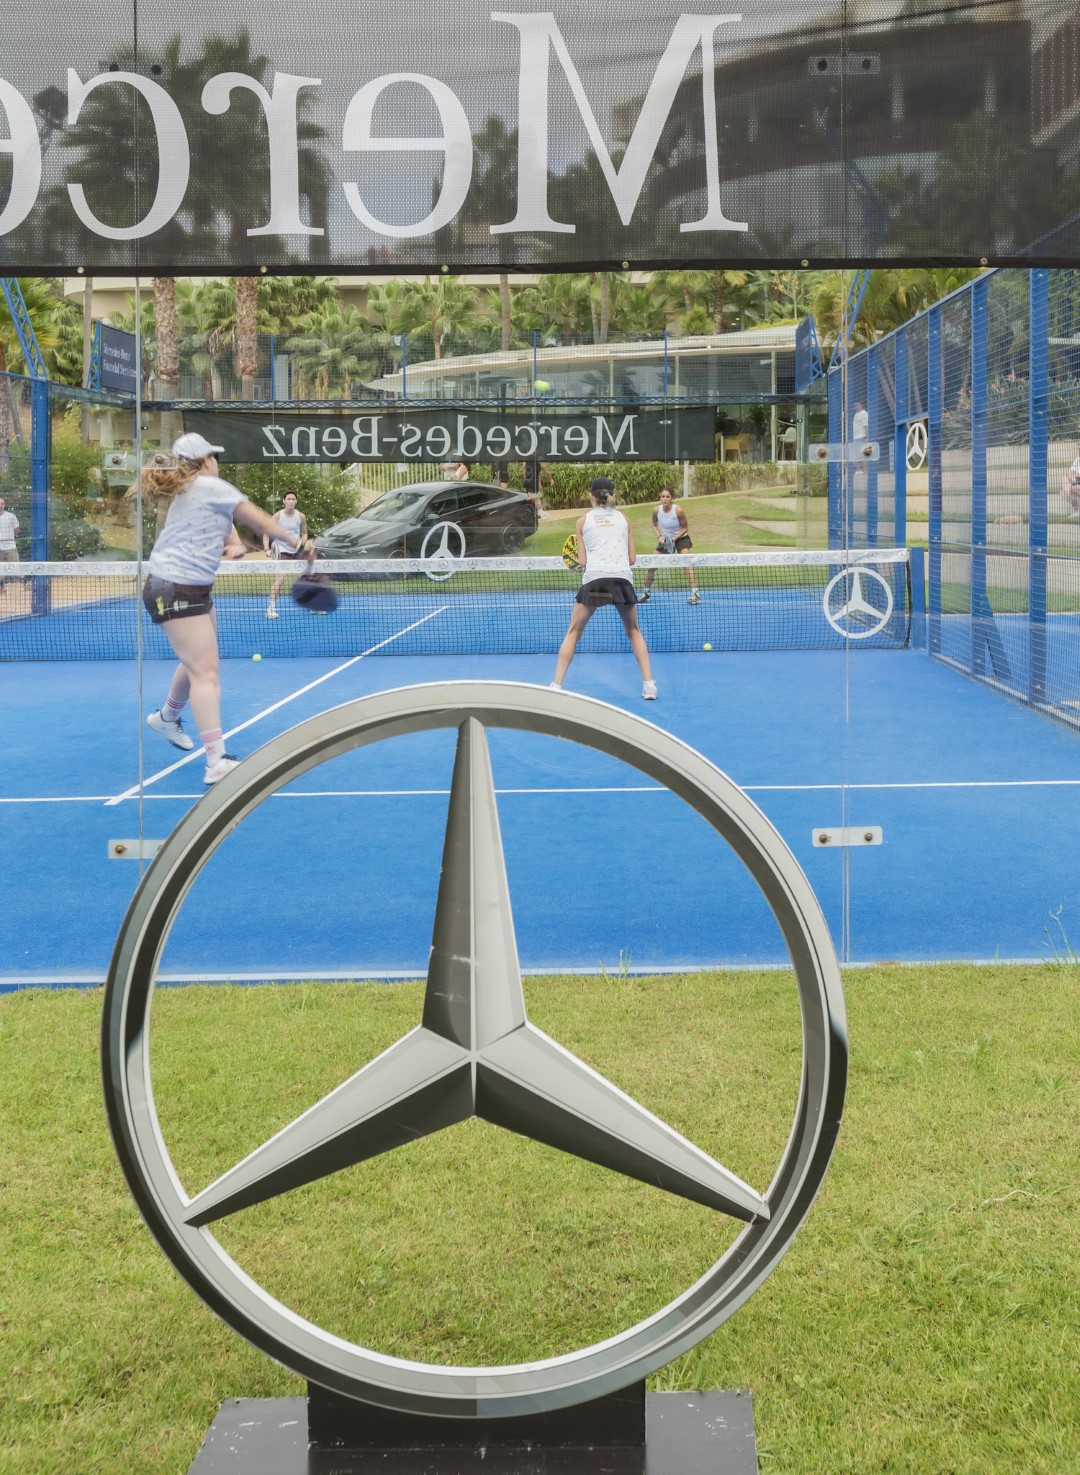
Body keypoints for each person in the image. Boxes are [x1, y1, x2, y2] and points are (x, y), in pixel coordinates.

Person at [139, 432, 313, 784]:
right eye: (214, 457)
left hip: (182, 587)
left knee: (196, 661)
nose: (217, 463)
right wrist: (299, 544)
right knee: (206, 673)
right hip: (176, 588)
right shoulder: (210, 486)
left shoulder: (190, 492)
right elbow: (262, 522)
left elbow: (227, 529)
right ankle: (216, 760)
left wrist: (234, 546)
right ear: (205, 461)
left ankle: (167, 717)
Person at [550, 477, 656, 700]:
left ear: (591, 496)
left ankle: (556, 686)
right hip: (621, 581)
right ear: (611, 494)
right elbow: (632, 559)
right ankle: (649, 686)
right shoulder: (624, 519)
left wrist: (576, 563)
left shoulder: (582, 521)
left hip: (596, 582)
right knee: (633, 631)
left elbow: (582, 561)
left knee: (574, 631)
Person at [640, 487, 699, 604]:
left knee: (686, 563)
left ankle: (695, 594)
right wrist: (660, 537)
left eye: (668, 496)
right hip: (665, 540)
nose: (665, 499)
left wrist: (673, 539)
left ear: (672, 498)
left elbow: (685, 528)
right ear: (660, 498)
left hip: (681, 538)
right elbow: (654, 525)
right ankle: (646, 593)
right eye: (663, 496)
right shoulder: (656, 510)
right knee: (651, 565)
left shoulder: (678, 510)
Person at [263, 490, 309, 617]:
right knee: (281, 579)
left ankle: (314, 605)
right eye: (289, 499)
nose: (291, 501)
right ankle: (271, 609)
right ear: (284, 501)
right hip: (282, 552)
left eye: (293, 499)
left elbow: (305, 533)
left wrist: (302, 544)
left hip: (297, 551)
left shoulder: (301, 516)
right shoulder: (277, 516)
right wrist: (267, 549)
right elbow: (266, 532)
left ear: (296, 501)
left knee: (310, 576)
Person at [0, 496, 20, 592]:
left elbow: (17, 529)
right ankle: (1, 587)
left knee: (17, 565)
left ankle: (25, 583)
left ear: (4, 505)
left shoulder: (11, 516)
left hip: (10, 546)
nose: (0, 505)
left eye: (2, 503)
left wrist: (11, 537)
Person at [1065, 452, 1080, 517]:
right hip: (1077, 482)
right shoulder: (1077, 460)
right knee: (1065, 478)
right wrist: (1071, 477)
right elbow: (1069, 473)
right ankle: (1077, 511)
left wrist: (1074, 476)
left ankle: (1068, 491)